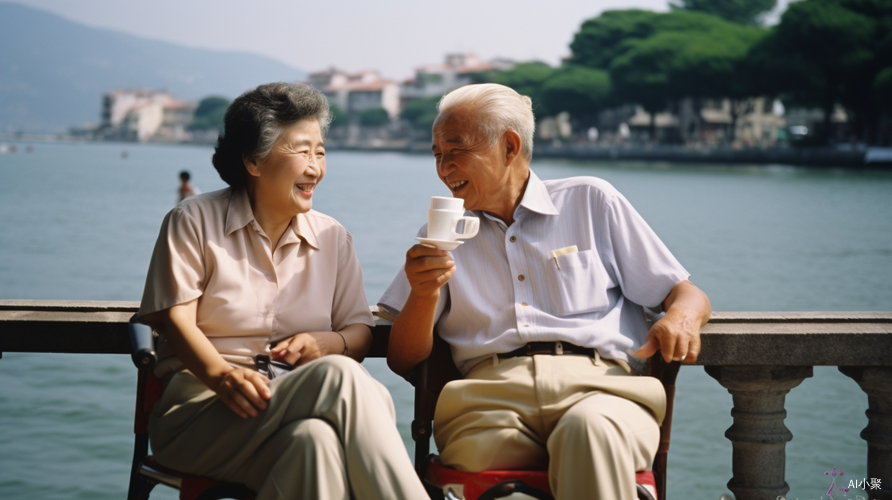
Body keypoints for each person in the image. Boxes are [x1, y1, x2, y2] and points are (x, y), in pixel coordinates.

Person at [379, 83, 711, 500]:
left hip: (603, 387)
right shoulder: (440, 237)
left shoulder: (591, 200)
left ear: (510, 146)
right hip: (488, 400)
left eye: (455, 150)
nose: (444, 168)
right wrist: (423, 294)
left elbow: (686, 294)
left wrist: (679, 318)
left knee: (590, 431)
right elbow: (402, 358)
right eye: (437, 155)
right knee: (493, 474)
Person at [138, 82, 427, 500]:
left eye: (321, 151)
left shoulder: (334, 237)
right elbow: (176, 318)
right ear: (254, 161)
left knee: (315, 443)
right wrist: (221, 376)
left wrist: (328, 341)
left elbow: (359, 332)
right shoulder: (192, 219)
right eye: (302, 151)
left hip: (297, 405)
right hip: (202, 412)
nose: (316, 167)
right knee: (343, 376)